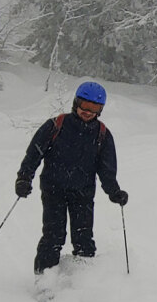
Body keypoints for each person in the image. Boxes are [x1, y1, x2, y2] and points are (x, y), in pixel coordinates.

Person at [15, 81, 129, 274]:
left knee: (84, 238)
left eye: (94, 108)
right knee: (53, 236)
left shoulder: (102, 134)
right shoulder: (56, 126)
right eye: (84, 105)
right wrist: (24, 178)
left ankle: (82, 282)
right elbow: (33, 155)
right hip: (53, 190)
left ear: (100, 109)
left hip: (83, 193)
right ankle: (45, 278)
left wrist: (114, 192)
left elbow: (107, 170)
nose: (88, 111)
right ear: (76, 103)